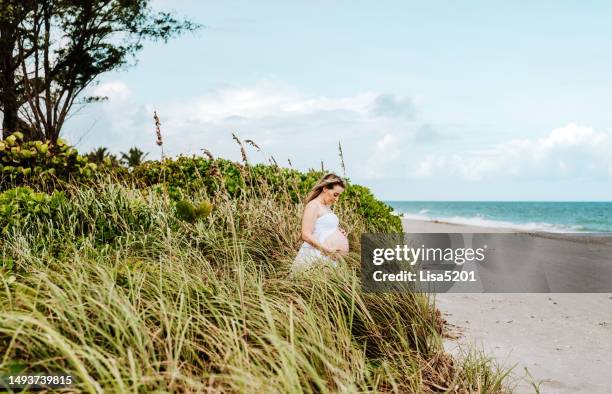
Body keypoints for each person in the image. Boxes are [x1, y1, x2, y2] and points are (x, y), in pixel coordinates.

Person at [292, 173, 349, 270]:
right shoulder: (314, 205)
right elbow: (305, 234)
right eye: (335, 194)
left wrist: (338, 231)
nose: (336, 199)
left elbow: (321, 227)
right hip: (317, 255)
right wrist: (327, 250)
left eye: (339, 196)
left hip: (327, 258)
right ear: (325, 188)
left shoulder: (326, 207)